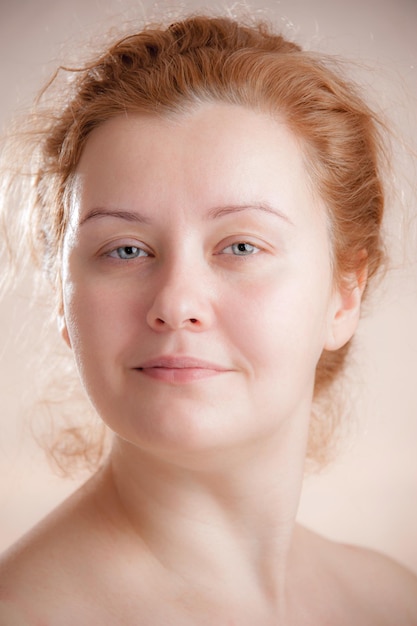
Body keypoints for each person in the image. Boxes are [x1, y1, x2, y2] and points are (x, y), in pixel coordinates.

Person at [0, 12, 416, 625]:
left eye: (241, 247)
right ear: (64, 299)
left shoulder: (392, 599)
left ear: (344, 293)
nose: (176, 304)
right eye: (125, 250)